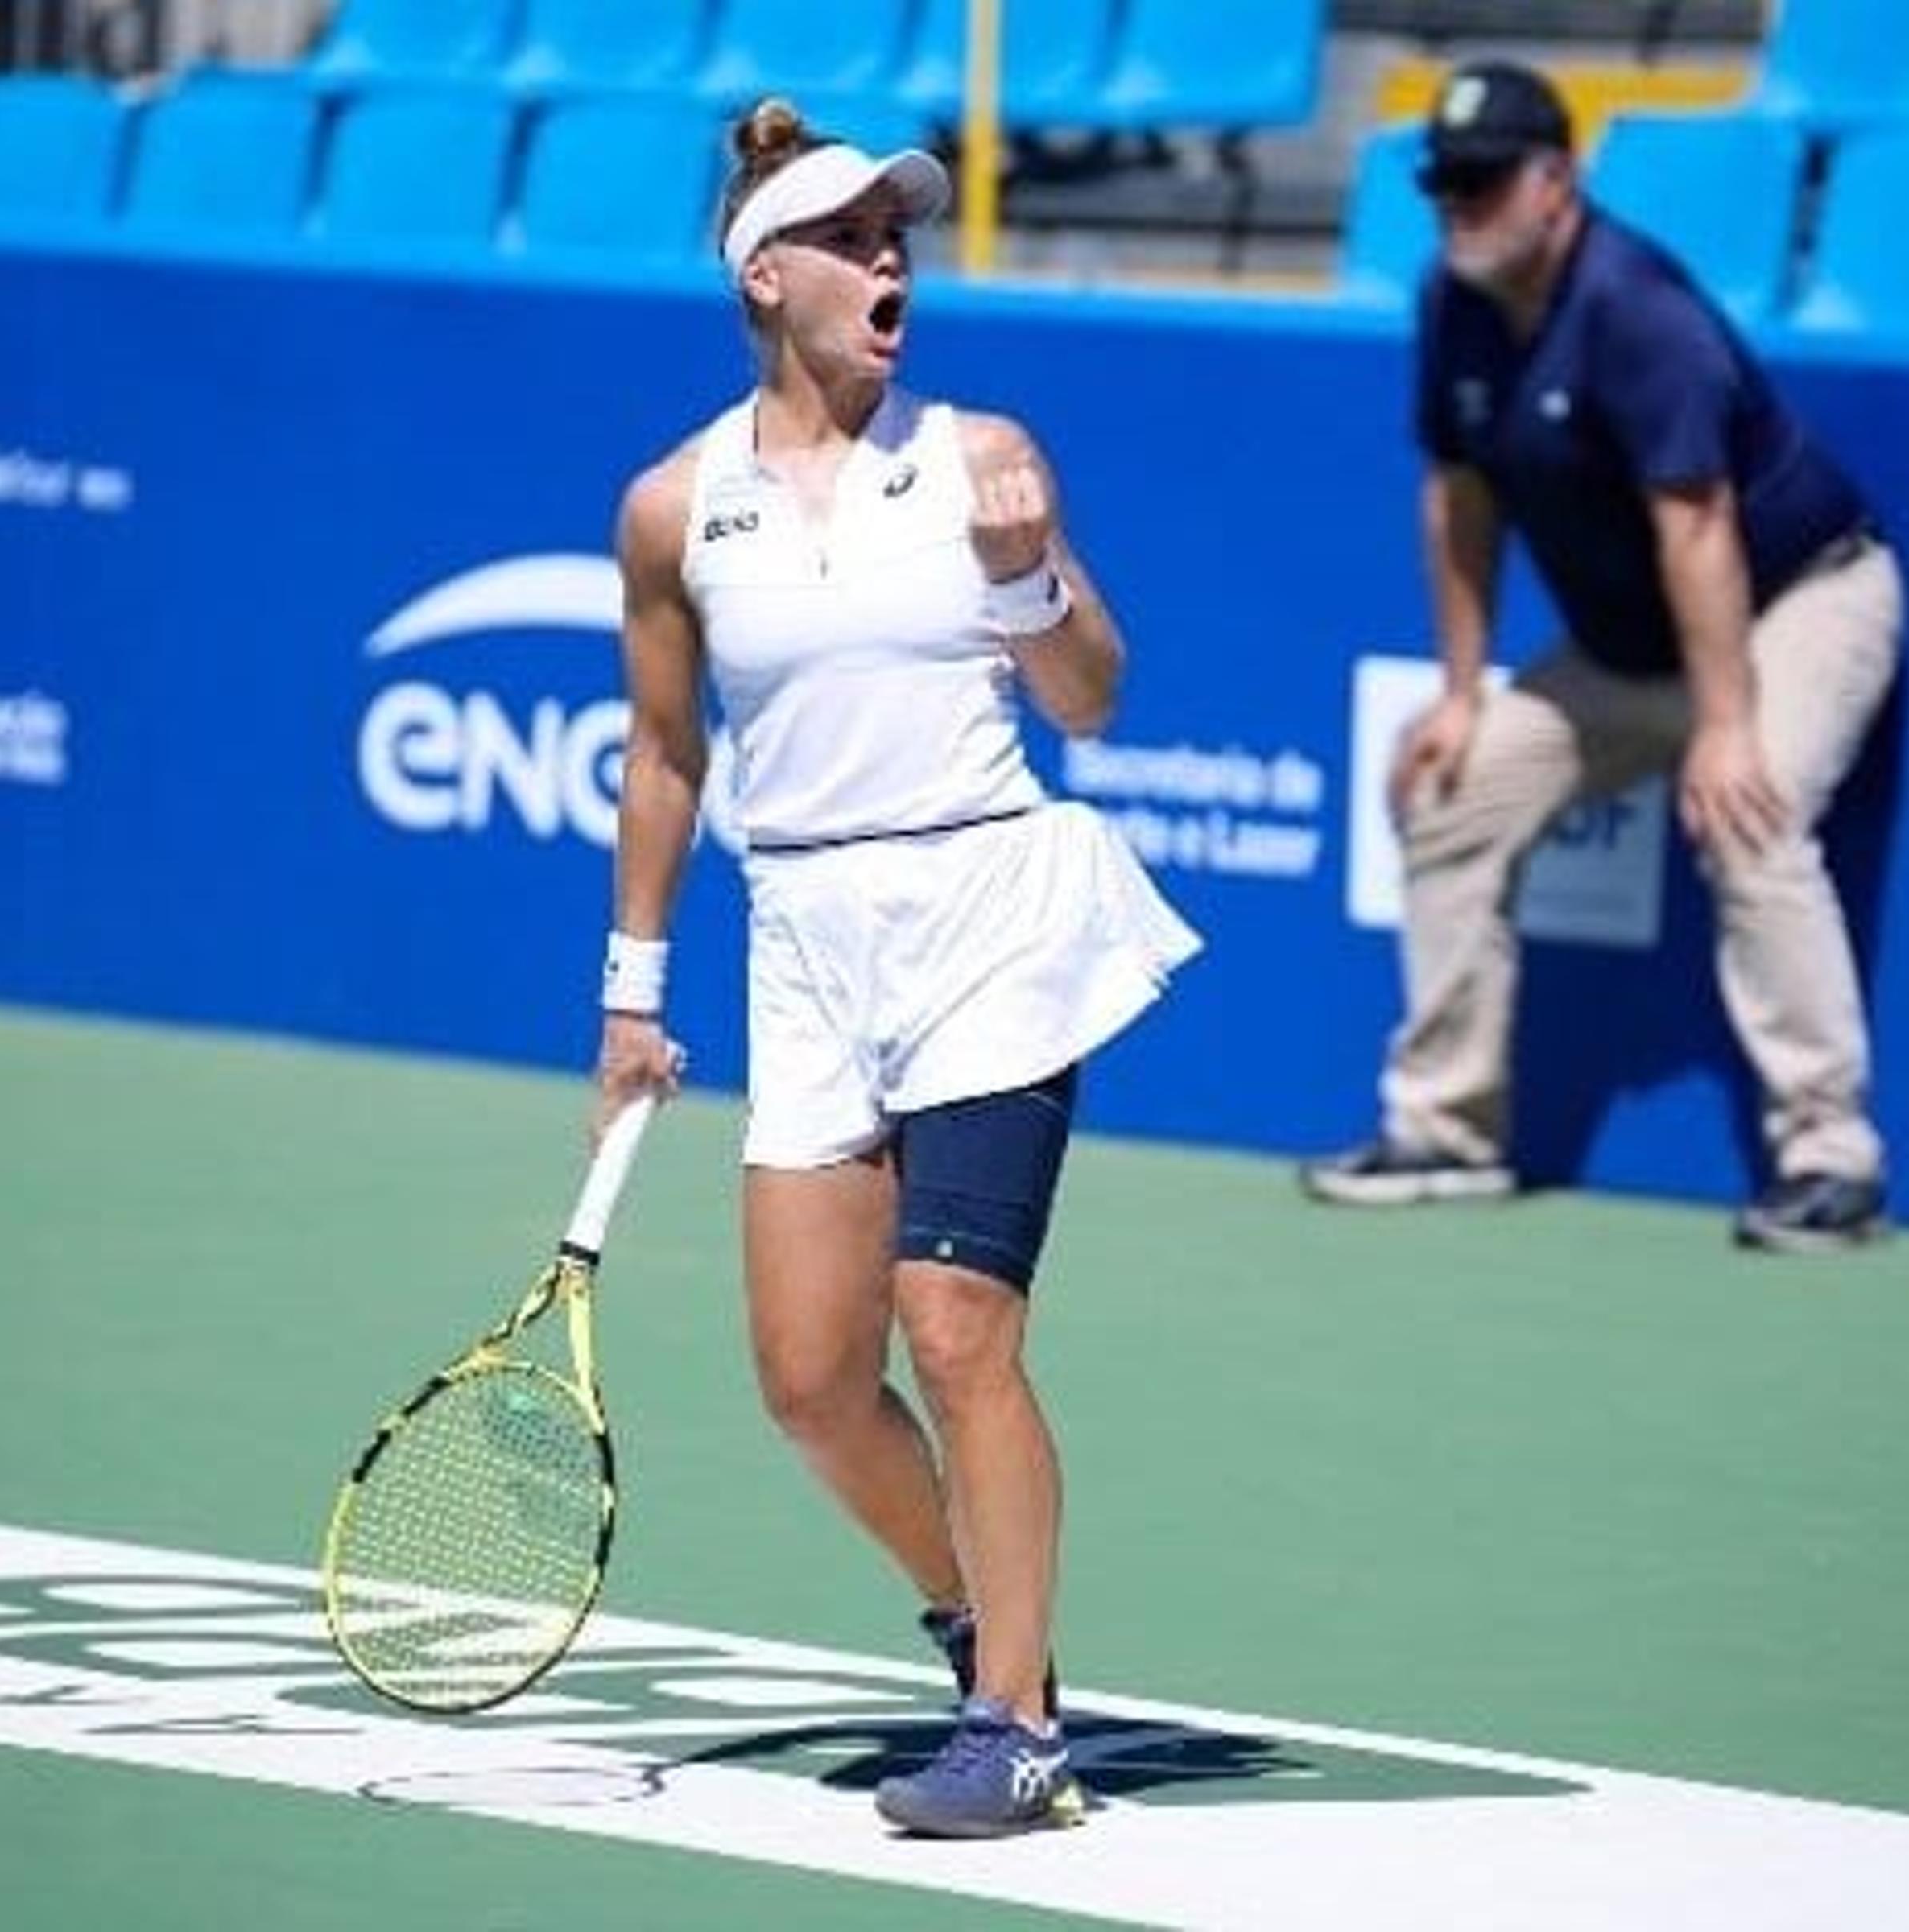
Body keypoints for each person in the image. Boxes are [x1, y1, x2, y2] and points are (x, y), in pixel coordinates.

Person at [593, 97, 1200, 1836]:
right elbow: (663, 755)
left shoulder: (982, 455)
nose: (889, 262)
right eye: (850, 239)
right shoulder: (670, 509)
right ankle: (982, 1633)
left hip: (986, 911)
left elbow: (1094, 697)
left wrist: (1026, 577)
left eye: (899, 237)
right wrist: (633, 991)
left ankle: (1016, 1728)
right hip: (802, 943)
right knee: (806, 1381)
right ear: (763, 274)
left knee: (954, 1324)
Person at [1300, 60, 1903, 1252]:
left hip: (1798, 600)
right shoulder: (1452, 297)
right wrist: (1464, 694)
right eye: (1445, 186)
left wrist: (1727, 722)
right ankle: (1446, 1130)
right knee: (1451, 788)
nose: (1459, 205)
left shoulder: (1637, 308)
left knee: (1752, 814)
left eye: (1485, 183)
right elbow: (1459, 497)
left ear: (1557, 183)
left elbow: (1699, 524)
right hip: (1634, 649)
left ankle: (1832, 1158)